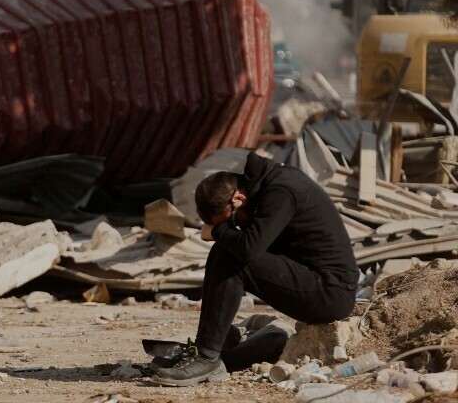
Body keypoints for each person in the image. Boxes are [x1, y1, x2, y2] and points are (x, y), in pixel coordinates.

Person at [151, 151, 359, 387]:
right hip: (312, 278)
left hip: (331, 294)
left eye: (231, 219)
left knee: (234, 257)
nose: (234, 223)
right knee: (224, 251)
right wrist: (224, 232)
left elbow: (250, 248)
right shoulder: (266, 186)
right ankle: (206, 349)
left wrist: (217, 231)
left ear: (238, 198)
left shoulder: (280, 192)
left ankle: (208, 357)